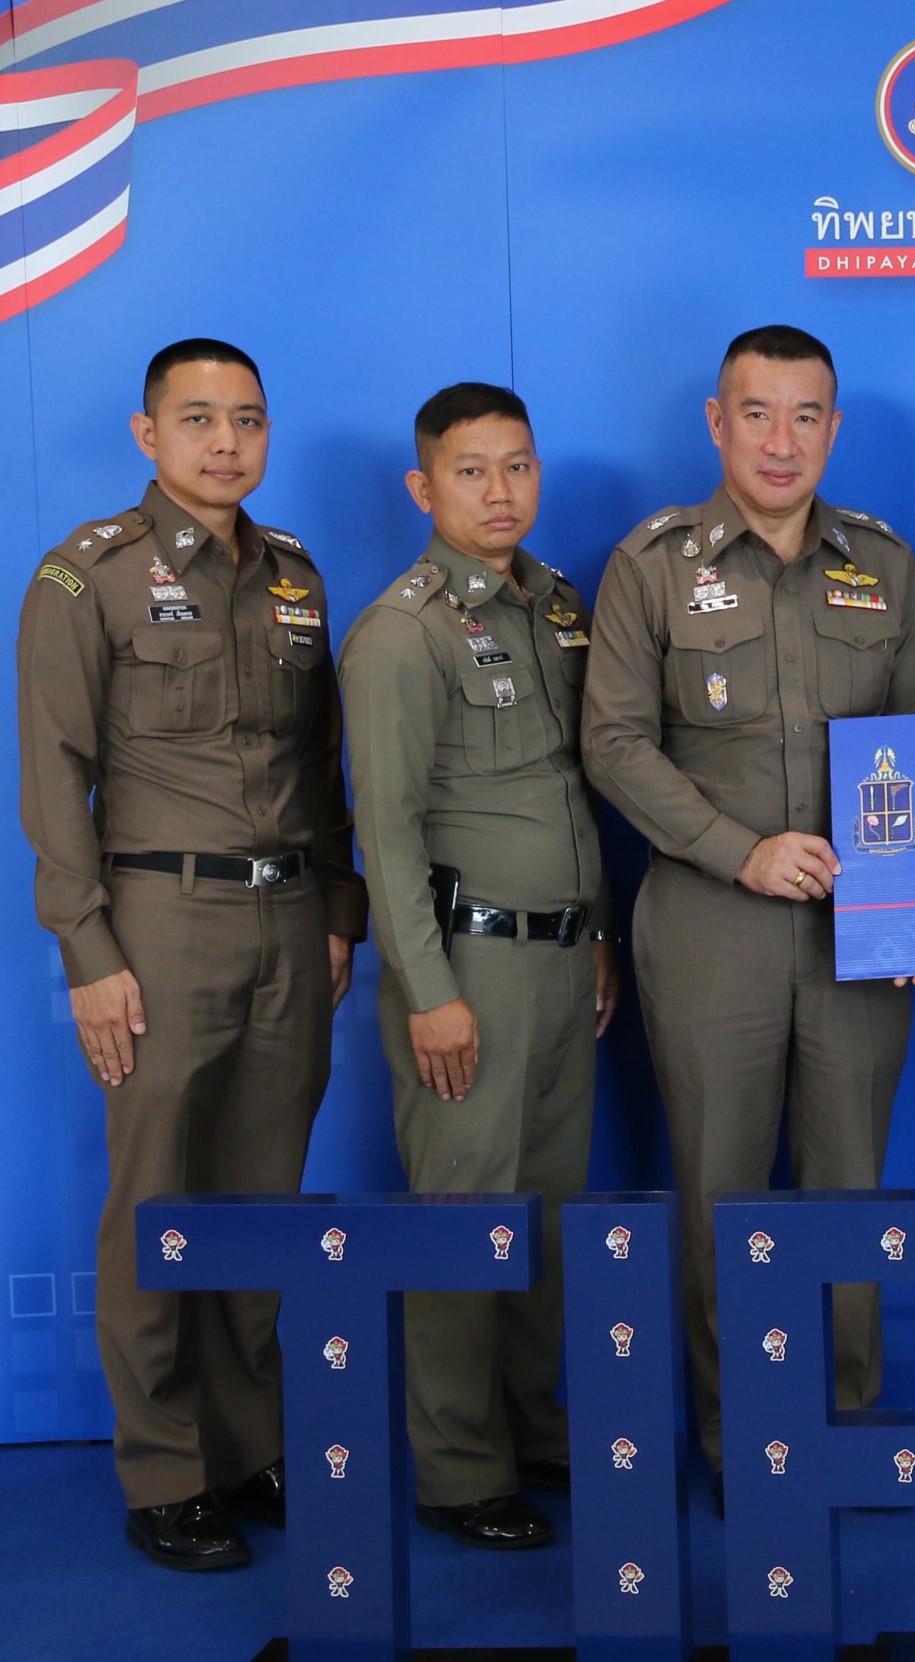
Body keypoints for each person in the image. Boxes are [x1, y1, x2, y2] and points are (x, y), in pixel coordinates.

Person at [16, 338, 365, 1568]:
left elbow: (317, 766)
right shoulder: (87, 577)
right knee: (159, 1198)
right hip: (159, 923)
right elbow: (55, 776)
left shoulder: (295, 576)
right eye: (200, 418)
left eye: (248, 420)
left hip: (291, 920)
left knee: (262, 1195)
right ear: (147, 433)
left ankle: (251, 1443)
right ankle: (167, 1469)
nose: (226, 442)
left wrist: (340, 910)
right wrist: (88, 949)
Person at [582, 326, 915, 1481]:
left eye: (805, 415)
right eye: (757, 412)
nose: (781, 440)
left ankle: (841, 1433)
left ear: (835, 428)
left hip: (860, 927)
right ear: (717, 421)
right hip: (711, 925)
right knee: (722, 1195)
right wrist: (739, 854)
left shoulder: (884, 564)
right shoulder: (651, 563)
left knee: (851, 1192)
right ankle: (744, 1440)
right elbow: (615, 744)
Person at [339, 383, 620, 1550]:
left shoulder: (556, 605)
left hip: (562, 960)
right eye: (470, 471)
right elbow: (387, 829)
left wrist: (597, 934)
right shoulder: (401, 632)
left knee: (545, 1219)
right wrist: (431, 993)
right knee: (464, 1221)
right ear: (424, 487)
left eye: (518, 466)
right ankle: (459, 1471)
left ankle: (533, 1429)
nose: (499, 491)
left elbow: (571, 786)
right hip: (470, 965)